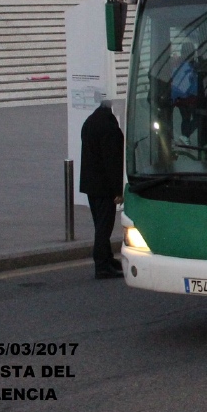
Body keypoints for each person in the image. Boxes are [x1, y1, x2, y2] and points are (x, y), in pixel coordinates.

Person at [79, 100, 125, 278]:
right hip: (104, 186)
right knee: (104, 227)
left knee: (99, 223)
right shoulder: (109, 126)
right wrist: (118, 191)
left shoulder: (90, 121)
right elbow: (112, 161)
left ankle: (107, 257)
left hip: (91, 184)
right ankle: (102, 264)